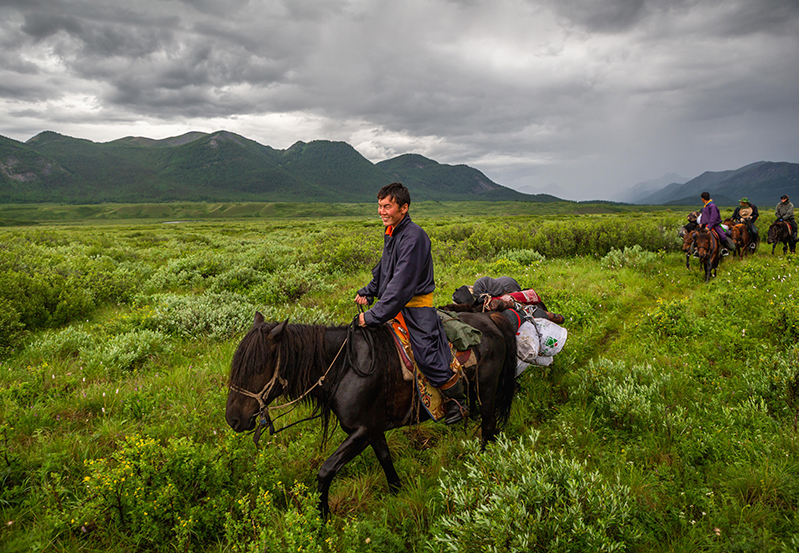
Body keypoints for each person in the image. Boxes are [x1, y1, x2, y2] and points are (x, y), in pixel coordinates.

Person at [354, 182, 466, 424]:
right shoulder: (393, 233)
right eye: (379, 206)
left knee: (427, 356)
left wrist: (372, 316)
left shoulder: (414, 237)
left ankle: (458, 402)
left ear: (403, 208)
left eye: (387, 206)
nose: (382, 211)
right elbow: (385, 269)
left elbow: (401, 285)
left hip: (416, 308)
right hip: (395, 306)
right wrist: (369, 291)